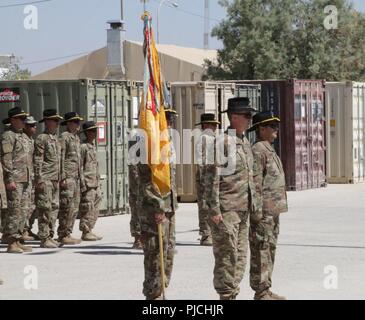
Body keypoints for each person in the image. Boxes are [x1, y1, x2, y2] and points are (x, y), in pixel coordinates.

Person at [205, 97, 258, 300]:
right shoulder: (222, 143)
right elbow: (212, 179)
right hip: (226, 210)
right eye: (247, 116)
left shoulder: (243, 141)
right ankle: (226, 296)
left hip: (243, 209)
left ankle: (233, 293)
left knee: (241, 257)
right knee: (227, 257)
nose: (250, 119)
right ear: (234, 117)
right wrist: (214, 210)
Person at [247, 111, 288, 300]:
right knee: (261, 250)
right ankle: (260, 291)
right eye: (272, 126)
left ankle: (266, 287)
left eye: (276, 126)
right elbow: (255, 183)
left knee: (270, 249)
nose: (276, 130)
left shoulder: (268, 149)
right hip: (263, 212)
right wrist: (256, 212)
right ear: (261, 129)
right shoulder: (258, 150)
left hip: (273, 211)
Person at [138, 108, 178, 300]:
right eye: (165, 119)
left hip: (169, 208)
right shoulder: (146, 145)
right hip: (154, 210)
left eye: (170, 120)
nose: (168, 123)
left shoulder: (167, 143)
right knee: (154, 256)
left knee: (168, 253)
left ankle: (161, 291)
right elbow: (145, 182)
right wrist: (157, 205)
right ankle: (152, 296)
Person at [1, 107, 33, 253]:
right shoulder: (8, 135)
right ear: (13, 120)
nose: (23, 122)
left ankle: (18, 238)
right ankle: (11, 242)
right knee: (14, 210)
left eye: (24, 119)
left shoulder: (24, 136)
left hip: (26, 178)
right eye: (21, 119)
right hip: (15, 179)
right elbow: (6, 159)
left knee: (23, 210)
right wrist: (9, 179)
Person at [34, 109, 63, 248]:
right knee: (44, 209)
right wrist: (39, 179)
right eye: (55, 120)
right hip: (45, 178)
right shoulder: (42, 138)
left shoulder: (56, 139)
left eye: (58, 121)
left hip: (55, 178)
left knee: (54, 208)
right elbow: (38, 160)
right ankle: (44, 237)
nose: (57, 123)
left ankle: (50, 235)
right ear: (47, 121)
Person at [57, 112, 83, 245]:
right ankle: (62, 234)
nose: (78, 124)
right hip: (68, 177)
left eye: (78, 122)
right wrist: (62, 177)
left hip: (76, 177)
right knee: (66, 206)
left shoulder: (76, 138)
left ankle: (68, 232)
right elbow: (60, 158)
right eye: (75, 122)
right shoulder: (64, 137)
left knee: (74, 207)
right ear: (68, 123)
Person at [195, 113, 220, 246]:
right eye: (212, 125)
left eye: (215, 125)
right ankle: (206, 234)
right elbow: (201, 161)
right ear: (205, 126)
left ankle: (210, 233)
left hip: (211, 176)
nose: (215, 127)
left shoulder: (212, 138)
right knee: (205, 205)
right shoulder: (204, 138)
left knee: (210, 204)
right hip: (205, 176)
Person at [79, 121, 103, 241]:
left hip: (95, 182)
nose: (95, 133)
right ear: (87, 132)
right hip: (88, 182)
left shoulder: (92, 146)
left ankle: (90, 228)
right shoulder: (83, 147)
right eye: (93, 131)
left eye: (96, 130)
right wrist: (82, 183)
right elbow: (80, 166)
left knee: (95, 206)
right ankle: (85, 231)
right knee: (87, 206)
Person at [22, 116, 38, 241]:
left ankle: (28, 229)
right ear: (25, 126)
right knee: (24, 206)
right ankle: (21, 230)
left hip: (31, 177)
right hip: (22, 178)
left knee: (32, 206)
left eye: (35, 125)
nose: (34, 127)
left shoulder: (32, 140)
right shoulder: (21, 139)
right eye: (31, 125)